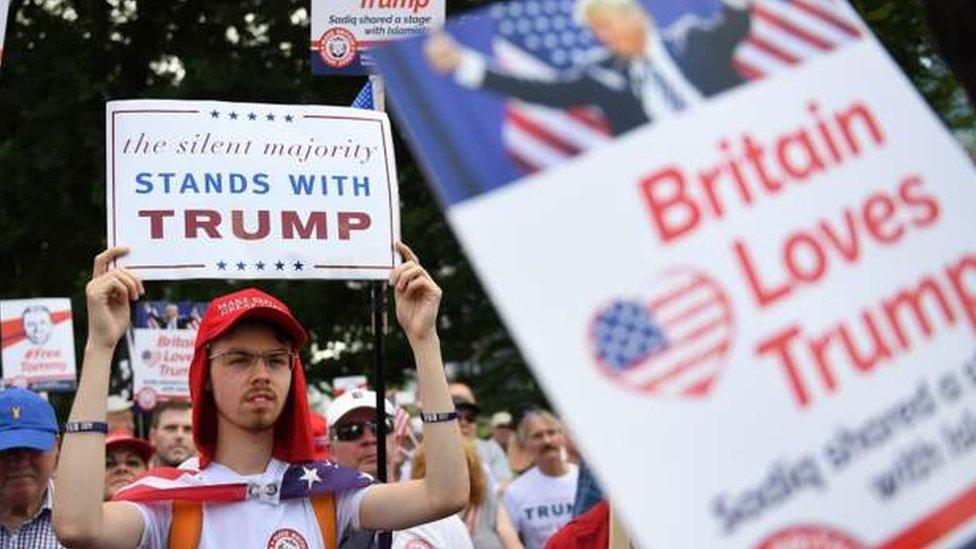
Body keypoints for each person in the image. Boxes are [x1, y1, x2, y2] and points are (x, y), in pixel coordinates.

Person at [53, 243, 469, 548]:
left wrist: (424, 339)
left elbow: (445, 494)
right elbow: (78, 526)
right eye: (238, 359)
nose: (260, 374)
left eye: (275, 359)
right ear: (206, 375)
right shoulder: (171, 499)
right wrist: (100, 346)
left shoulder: (325, 492)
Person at [424, 0, 752, 135]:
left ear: (640, 15)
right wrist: (462, 62)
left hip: (743, 144)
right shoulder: (599, 75)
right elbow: (542, 91)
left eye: (610, 22)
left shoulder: (693, 38)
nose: (605, 35)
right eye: (599, 30)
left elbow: (734, 26)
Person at [327, 389, 473, 549]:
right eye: (351, 431)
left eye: (381, 427)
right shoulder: (319, 524)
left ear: (397, 441)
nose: (369, 439)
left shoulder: (441, 518)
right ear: (331, 451)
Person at [413, 440, 523, 549]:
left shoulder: (487, 500)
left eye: (457, 465)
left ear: (471, 469)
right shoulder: (416, 514)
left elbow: (511, 540)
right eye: (441, 465)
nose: (449, 473)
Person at [503, 411, 579, 549]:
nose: (547, 441)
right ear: (525, 445)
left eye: (551, 433)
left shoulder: (583, 482)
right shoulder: (515, 492)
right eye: (537, 436)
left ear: (562, 436)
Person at [0, 388, 63, 547]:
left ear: (57, 447)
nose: (20, 460)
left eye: (33, 447)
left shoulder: (86, 521)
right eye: (6, 450)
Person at [451, 384, 513, 488]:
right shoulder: (434, 452)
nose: (464, 423)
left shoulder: (491, 448)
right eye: (457, 417)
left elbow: (505, 484)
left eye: (470, 418)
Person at [104, 431, 153, 501]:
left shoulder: (167, 509)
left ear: (147, 470)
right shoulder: (83, 510)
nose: (122, 468)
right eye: (109, 464)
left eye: (132, 463)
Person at [147, 400, 195, 467]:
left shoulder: (213, 477)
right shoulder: (134, 475)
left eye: (188, 429)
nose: (179, 435)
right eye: (171, 428)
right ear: (153, 436)